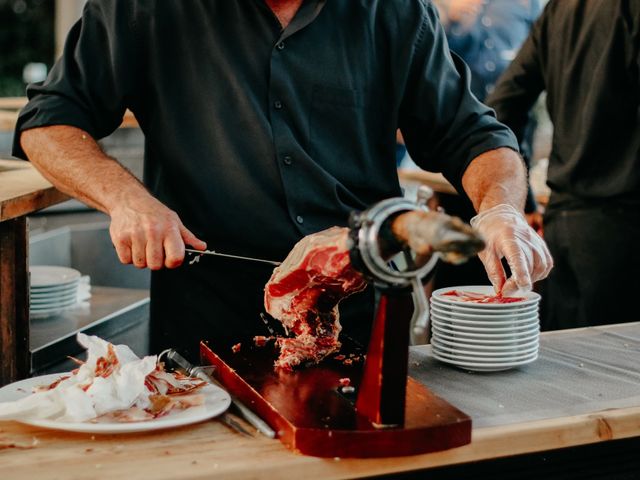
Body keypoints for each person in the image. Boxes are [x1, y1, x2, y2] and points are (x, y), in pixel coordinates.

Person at [13, 0, 552, 358]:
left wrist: (500, 208)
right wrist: (126, 199)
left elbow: (475, 135)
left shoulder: (392, 9)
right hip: (209, 321)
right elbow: (48, 121)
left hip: (358, 314)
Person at [486, 0, 640, 331]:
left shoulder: (560, 7)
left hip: (561, 228)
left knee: (565, 367)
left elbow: (500, 109)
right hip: (624, 236)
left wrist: (521, 205)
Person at [426, 0, 544, 292]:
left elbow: (522, 88)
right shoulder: (440, 6)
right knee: (457, 268)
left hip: (498, 152)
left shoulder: (529, 7)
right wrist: (449, 16)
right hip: (451, 161)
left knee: (507, 271)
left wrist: (519, 202)